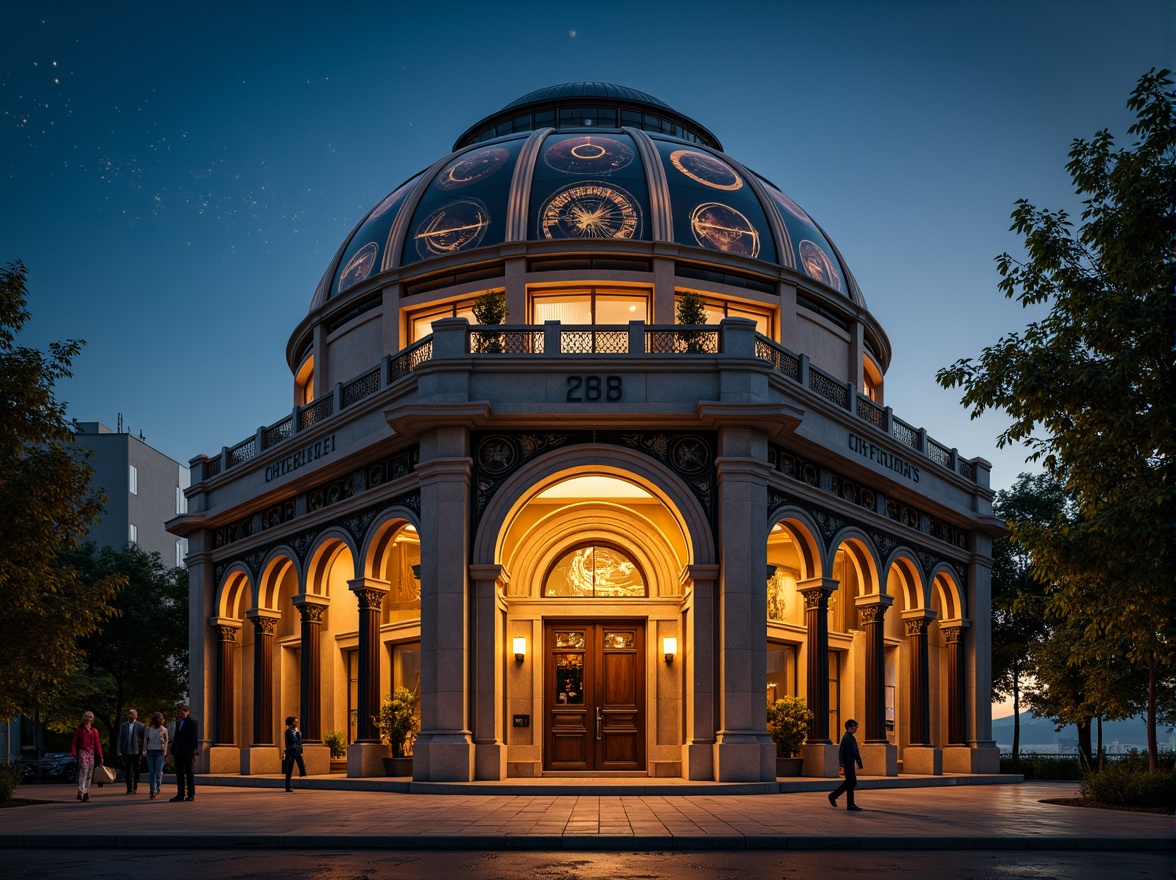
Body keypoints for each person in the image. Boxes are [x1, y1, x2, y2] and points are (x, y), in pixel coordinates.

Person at [828, 718, 864, 811]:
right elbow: (843, 751)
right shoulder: (847, 738)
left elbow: (854, 752)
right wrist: (842, 763)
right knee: (851, 782)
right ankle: (836, 797)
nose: (856, 728)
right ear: (849, 727)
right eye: (854, 726)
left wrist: (858, 762)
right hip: (848, 763)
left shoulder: (850, 737)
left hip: (849, 762)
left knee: (851, 782)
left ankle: (843, 800)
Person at [70, 711, 104, 803]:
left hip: (91, 753)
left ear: (92, 719)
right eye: (86, 717)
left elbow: (97, 743)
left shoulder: (94, 730)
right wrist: (73, 753)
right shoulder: (79, 730)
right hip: (83, 752)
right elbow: (74, 742)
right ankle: (82, 791)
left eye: (89, 717)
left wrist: (100, 755)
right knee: (84, 770)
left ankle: (85, 791)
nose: (87, 718)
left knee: (89, 773)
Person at [169, 702, 199, 802]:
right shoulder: (178, 722)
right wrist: (173, 750)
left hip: (188, 752)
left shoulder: (192, 722)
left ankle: (191, 794)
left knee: (189, 773)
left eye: (180, 711)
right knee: (179, 773)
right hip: (178, 752)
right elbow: (176, 737)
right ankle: (180, 794)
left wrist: (193, 751)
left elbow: (194, 738)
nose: (178, 713)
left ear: (185, 711)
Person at [116, 708, 146, 794]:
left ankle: (135, 786)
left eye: (132, 714)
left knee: (136, 769)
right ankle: (129, 788)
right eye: (129, 714)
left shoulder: (140, 725)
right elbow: (120, 738)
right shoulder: (123, 725)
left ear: (136, 716)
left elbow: (144, 738)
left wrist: (143, 750)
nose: (130, 715)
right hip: (126, 751)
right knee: (127, 770)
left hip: (136, 751)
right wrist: (119, 750)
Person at [144, 711, 169, 799]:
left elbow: (166, 741)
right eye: (159, 719)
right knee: (152, 772)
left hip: (159, 752)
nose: (161, 721)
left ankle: (157, 786)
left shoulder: (164, 729)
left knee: (158, 772)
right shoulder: (148, 729)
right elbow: (145, 740)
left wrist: (165, 752)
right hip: (150, 751)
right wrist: (144, 750)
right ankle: (152, 790)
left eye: (161, 719)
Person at [283, 715, 306, 792]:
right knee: (289, 770)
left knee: (301, 765)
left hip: (297, 752)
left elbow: (300, 742)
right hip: (291, 753)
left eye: (296, 722)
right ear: (290, 724)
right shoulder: (288, 731)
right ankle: (287, 787)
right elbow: (294, 740)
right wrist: (297, 733)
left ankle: (303, 775)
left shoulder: (296, 731)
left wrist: (301, 751)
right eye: (294, 722)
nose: (296, 724)